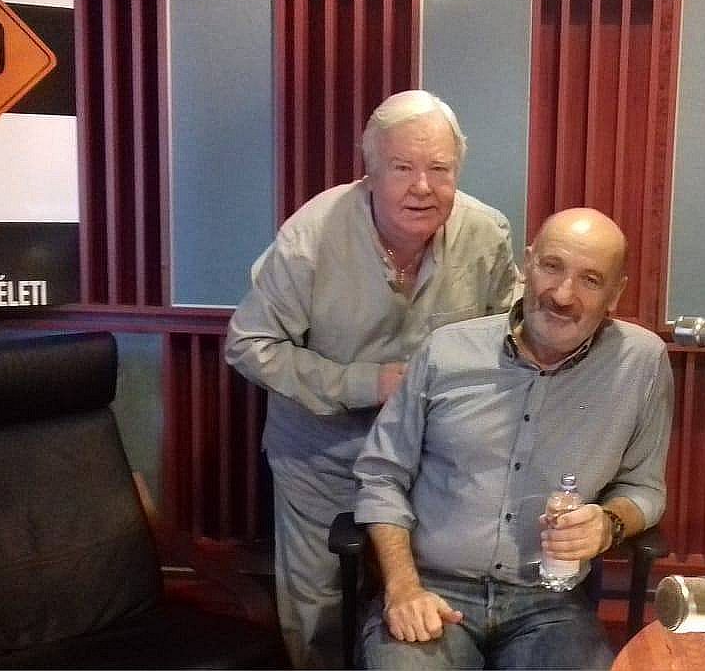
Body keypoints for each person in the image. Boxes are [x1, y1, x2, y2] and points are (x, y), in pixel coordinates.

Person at [225, 90, 520, 669]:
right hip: (322, 455)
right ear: (371, 170)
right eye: (403, 168)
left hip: (435, 462)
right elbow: (249, 345)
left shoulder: (487, 232)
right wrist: (367, 383)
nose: (422, 187)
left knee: (421, 601)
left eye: (440, 169)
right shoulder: (311, 235)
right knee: (320, 612)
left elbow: (507, 334)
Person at [354, 208, 673, 669]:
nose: (562, 295)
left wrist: (610, 524)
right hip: (433, 590)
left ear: (615, 294)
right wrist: (402, 588)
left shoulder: (640, 363)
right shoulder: (447, 350)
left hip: (551, 603)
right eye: (552, 267)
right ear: (527, 264)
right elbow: (382, 475)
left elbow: (644, 487)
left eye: (590, 280)